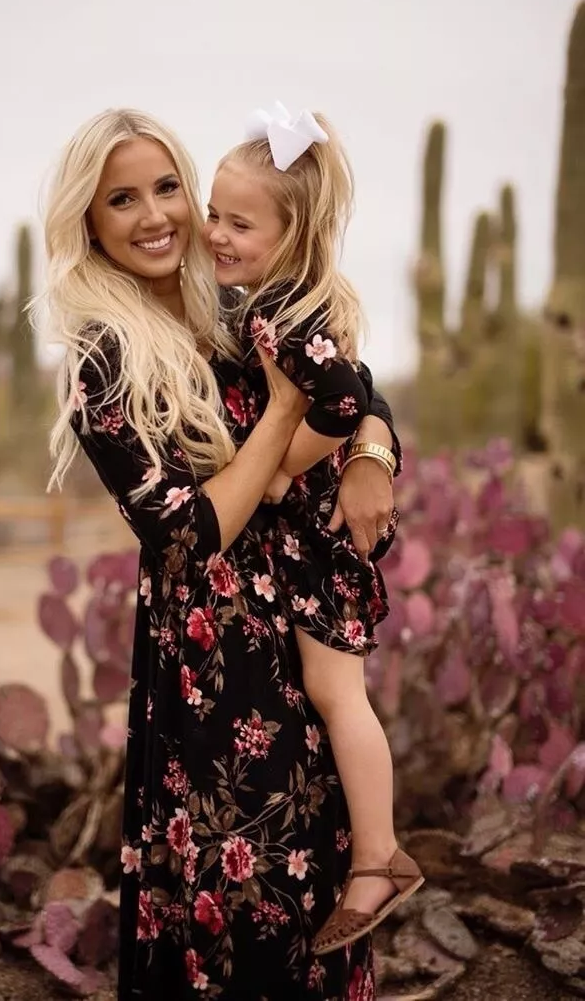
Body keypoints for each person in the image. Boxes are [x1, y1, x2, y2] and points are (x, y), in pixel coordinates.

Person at [41, 107, 397, 999]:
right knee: (241, 885)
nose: (156, 215)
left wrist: (372, 454)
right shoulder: (104, 362)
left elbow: (352, 383)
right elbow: (186, 534)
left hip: (301, 620)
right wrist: (280, 422)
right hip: (215, 657)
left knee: (318, 861)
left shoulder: (237, 306)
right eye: (122, 198)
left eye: (168, 187)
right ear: (89, 219)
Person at [203, 104, 423, 954]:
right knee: (330, 696)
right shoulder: (275, 296)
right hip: (301, 547)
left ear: (291, 232)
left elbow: (342, 397)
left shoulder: (278, 311)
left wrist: (285, 461)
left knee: (338, 695)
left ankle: (378, 859)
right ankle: (373, 855)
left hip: (317, 543)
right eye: (215, 213)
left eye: (239, 222)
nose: (218, 233)